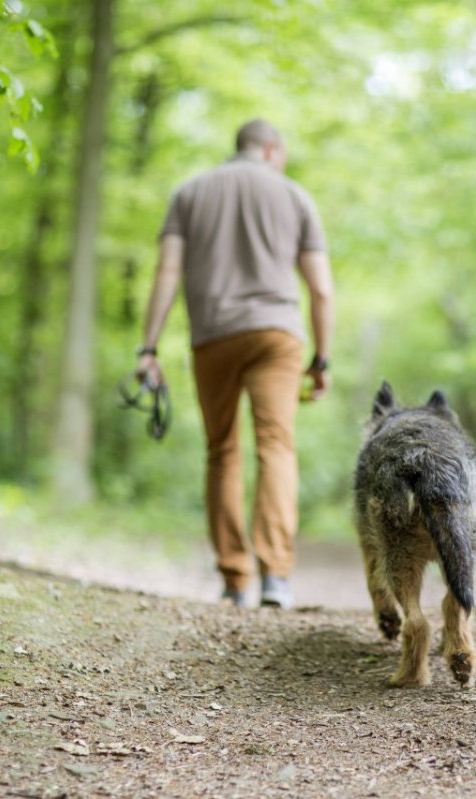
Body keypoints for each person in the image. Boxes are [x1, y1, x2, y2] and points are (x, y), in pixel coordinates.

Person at [136, 119, 334, 610]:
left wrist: (149, 348)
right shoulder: (295, 197)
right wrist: (321, 359)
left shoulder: (189, 193)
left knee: (222, 451)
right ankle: (277, 577)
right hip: (277, 334)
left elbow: (167, 271)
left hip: (214, 335)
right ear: (271, 149)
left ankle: (234, 578)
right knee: (276, 445)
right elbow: (321, 288)